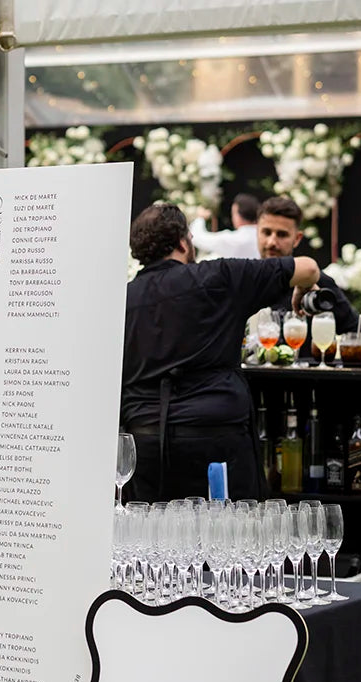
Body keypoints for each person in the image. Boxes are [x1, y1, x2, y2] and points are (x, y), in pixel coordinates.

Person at [122, 203, 319, 502]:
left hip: (145, 441)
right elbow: (308, 268)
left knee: (155, 543)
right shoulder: (220, 275)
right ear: (182, 242)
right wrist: (300, 289)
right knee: (229, 538)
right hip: (215, 437)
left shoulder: (122, 300)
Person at [256, 196, 359, 337]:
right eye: (266, 232)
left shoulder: (318, 282)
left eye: (282, 235)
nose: (272, 242)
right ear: (257, 232)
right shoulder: (244, 278)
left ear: (297, 239)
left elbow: (356, 332)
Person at [189, 193, 260, 258]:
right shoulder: (264, 237)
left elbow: (198, 238)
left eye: (233, 213)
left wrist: (200, 218)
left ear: (238, 216)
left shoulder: (232, 240)